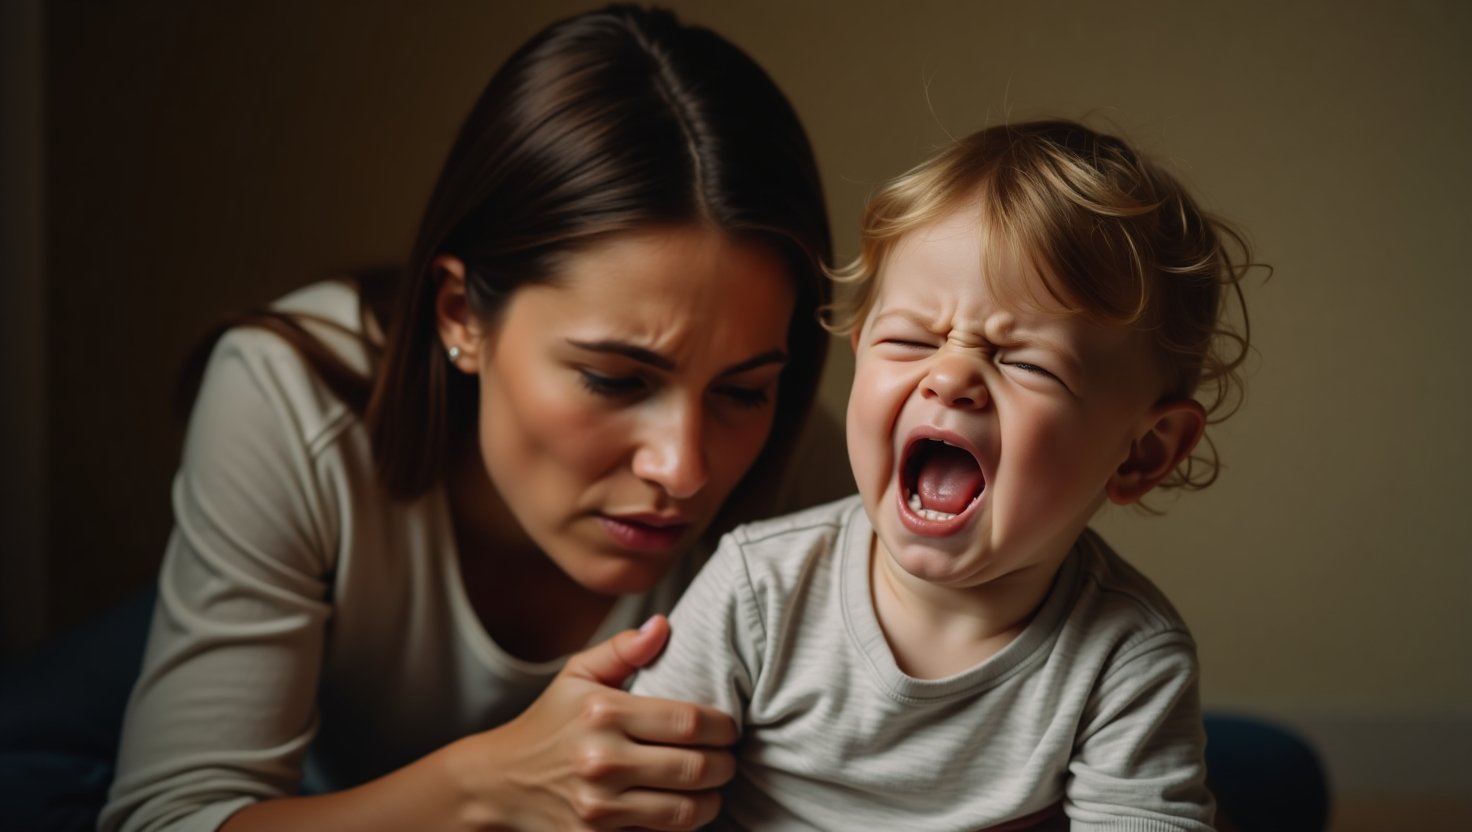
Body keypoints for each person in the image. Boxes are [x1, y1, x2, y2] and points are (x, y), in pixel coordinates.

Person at [99, 5, 832, 831]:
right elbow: (167, 818)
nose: (685, 467)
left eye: (741, 392)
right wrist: (490, 786)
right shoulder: (289, 395)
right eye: (614, 378)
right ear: (460, 316)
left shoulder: (811, 475)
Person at [631, 119, 1255, 830]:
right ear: (861, 349)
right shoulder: (758, 592)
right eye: (911, 339)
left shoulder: (1126, 659)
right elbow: (636, 794)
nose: (952, 374)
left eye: (1027, 362)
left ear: (1143, 451)